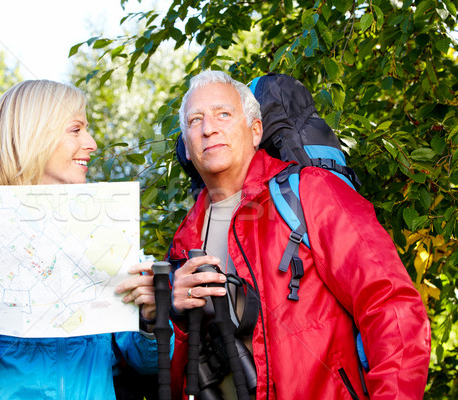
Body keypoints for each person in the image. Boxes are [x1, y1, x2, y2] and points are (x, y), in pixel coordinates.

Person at [0, 80, 164, 399]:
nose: (91, 143)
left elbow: (146, 363)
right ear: (35, 137)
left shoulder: (107, 231)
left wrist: (150, 319)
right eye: (76, 130)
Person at [168, 71, 431, 399]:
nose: (209, 128)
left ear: (255, 131)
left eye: (224, 113)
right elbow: (169, 377)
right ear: (188, 150)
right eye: (195, 120)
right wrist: (173, 317)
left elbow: (390, 305)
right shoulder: (185, 240)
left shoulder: (309, 192)